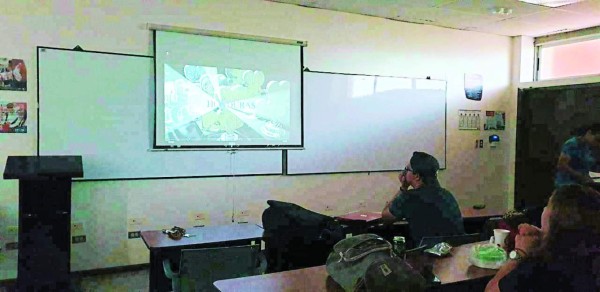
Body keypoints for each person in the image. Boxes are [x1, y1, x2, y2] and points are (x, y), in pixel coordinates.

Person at [485, 184, 600, 291]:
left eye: (547, 205)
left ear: (554, 217)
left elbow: (490, 290)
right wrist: (545, 236)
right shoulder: (590, 258)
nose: (543, 209)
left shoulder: (540, 267)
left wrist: (519, 253)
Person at [382, 151, 464, 246]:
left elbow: (385, 216)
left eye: (407, 169)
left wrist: (403, 187)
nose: (404, 172)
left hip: (427, 255)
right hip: (455, 252)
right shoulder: (447, 194)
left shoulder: (408, 197)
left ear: (417, 176)